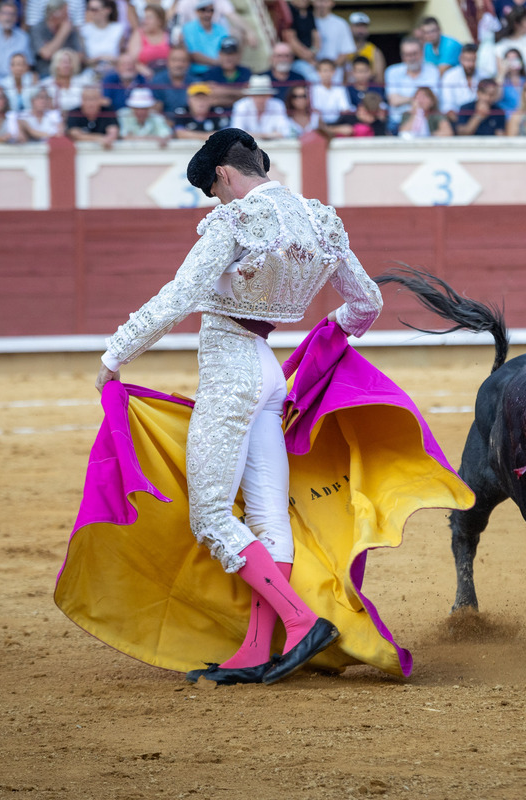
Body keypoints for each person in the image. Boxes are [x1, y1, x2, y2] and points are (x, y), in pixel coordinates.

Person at [92, 128, 383, 686]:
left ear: (224, 174)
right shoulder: (321, 221)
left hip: (231, 368)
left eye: (214, 190)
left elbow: (178, 295)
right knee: (268, 517)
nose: (217, 202)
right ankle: (255, 648)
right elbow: (367, 302)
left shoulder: (236, 219)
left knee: (210, 515)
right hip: (269, 374)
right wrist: (329, 334)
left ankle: (300, 621)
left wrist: (115, 353)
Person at [384, 34, 438, 130]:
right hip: (398, 122)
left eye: (414, 53)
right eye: (407, 55)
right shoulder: (392, 71)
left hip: (428, 120)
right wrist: (419, 99)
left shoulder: (432, 70)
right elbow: (394, 101)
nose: (411, 58)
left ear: (421, 53)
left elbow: (434, 98)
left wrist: (407, 100)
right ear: (402, 55)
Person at [30, 0, 83, 77]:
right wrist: (62, 33)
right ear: (54, 14)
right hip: (45, 74)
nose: (68, 16)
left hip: (70, 75)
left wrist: (53, 50)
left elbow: (80, 56)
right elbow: (46, 54)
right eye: (65, 13)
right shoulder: (38, 29)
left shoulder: (71, 29)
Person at [229, 72, 289, 137]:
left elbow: (285, 132)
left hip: (273, 146)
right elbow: (237, 133)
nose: (260, 99)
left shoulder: (278, 105)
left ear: (270, 95)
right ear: (250, 95)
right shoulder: (241, 105)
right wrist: (268, 135)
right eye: (256, 95)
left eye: (263, 95)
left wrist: (253, 135)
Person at [181, 0, 228, 80]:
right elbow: (193, 54)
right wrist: (218, 62)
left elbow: (227, 50)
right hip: (197, 73)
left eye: (211, 10)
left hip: (219, 72)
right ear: (197, 11)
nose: (207, 14)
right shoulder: (188, 28)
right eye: (203, 10)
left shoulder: (221, 29)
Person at [200, 35, 250, 106]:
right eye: (225, 54)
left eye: (232, 54)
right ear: (219, 55)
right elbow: (210, 99)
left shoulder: (246, 72)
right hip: (217, 114)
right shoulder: (210, 73)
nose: (228, 58)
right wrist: (239, 92)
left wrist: (222, 90)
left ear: (238, 55)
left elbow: (250, 95)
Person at [311, 0, 354, 78]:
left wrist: (328, 69)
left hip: (335, 73)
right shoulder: (306, 21)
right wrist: (316, 66)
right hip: (311, 71)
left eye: (325, 1)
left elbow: (345, 52)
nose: (322, 4)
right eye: (318, 1)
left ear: (332, 3)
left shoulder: (341, 23)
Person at [126, 3, 170, 78]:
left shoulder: (169, 35)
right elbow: (131, 60)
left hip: (167, 75)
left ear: (159, 21)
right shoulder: (138, 34)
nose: (144, 21)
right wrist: (143, 70)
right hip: (144, 76)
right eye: (144, 18)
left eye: (149, 18)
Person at [151, 44, 191, 124]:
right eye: (174, 60)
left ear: (188, 64)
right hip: (164, 125)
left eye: (183, 61)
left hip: (188, 125)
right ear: (168, 62)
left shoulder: (195, 83)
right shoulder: (157, 81)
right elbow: (155, 111)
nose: (179, 64)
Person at [80, 0, 121, 74]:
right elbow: (83, 59)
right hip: (91, 72)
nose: (90, 12)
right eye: (89, 9)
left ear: (107, 10)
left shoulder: (118, 29)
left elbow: (123, 56)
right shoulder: (84, 30)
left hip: (115, 72)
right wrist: (99, 59)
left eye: (94, 9)